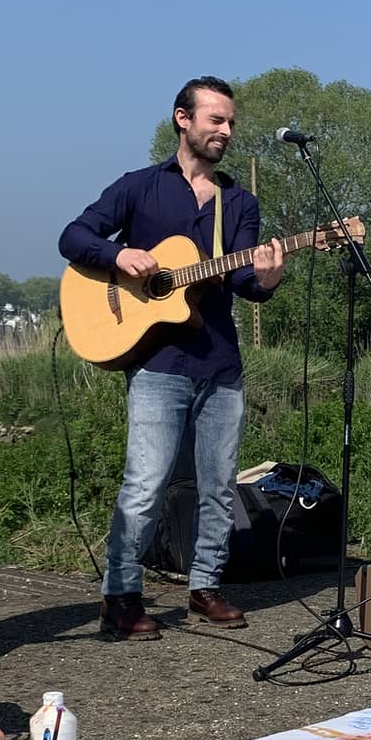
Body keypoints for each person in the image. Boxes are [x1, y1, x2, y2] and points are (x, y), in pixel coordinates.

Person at [59, 76, 308, 642]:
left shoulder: (239, 202)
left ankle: (205, 587)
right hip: (157, 365)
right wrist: (120, 254)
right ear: (183, 119)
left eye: (231, 123)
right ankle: (120, 599)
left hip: (221, 364)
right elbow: (74, 237)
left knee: (219, 484)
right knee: (145, 484)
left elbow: (245, 280)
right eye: (216, 120)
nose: (226, 131)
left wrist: (268, 276)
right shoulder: (139, 188)